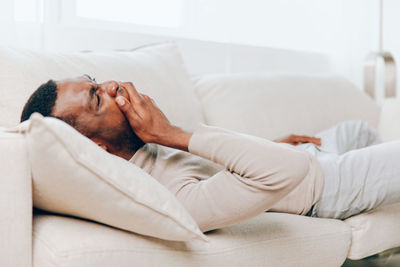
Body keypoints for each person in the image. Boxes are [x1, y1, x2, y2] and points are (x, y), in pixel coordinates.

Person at [20, 75, 400, 232]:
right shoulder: (160, 192)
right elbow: (290, 170)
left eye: (93, 80)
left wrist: (271, 142)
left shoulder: (148, 144)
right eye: (96, 97)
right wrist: (170, 133)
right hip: (323, 187)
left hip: (312, 159)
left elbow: (223, 165)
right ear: (94, 146)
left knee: (358, 129)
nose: (114, 84)